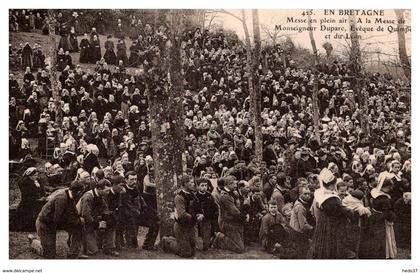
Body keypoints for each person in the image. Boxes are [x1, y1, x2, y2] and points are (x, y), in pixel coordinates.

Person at [30, 180, 86, 259]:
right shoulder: (62, 199)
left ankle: (73, 253)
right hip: (45, 224)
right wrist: (76, 221)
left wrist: (78, 220)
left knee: (79, 227)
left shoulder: (70, 195)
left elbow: (73, 213)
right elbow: (58, 219)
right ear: (78, 191)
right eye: (81, 192)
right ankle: (33, 242)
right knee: (49, 254)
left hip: (53, 223)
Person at [311, 168, 352, 259]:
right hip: (333, 225)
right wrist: (352, 211)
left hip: (323, 222)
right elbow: (342, 210)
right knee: (332, 246)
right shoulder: (332, 199)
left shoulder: (320, 193)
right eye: (334, 184)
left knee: (323, 244)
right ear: (331, 185)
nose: (334, 186)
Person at [161, 174, 203, 257]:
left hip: (191, 225)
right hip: (181, 226)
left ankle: (177, 241)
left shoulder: (193, 195)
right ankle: (167, 241)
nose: (193, 184)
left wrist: (201, 214)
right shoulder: (179, 197)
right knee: (186, 253)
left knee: (193, 251)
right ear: (185, 184)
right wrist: (196, 218)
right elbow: (182, 215)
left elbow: (198, 207)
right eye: (191, 182)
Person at [359, 177, 397, 259]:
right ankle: (386, 253)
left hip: (374, 216)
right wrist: (393, 217)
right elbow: (387, 213)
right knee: (384, 237)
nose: (390, 189)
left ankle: (373, 252)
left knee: (374, 237)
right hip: (382, 220)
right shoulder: (384, 199)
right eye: (389, 187)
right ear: (385, 187)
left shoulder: (375, 193)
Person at [211, 175, 249, 253]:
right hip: (227, 222)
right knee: (240, 248)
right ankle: (219, 237)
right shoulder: (225, 196)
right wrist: (245, 211)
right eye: (234, 184)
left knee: (242, 243)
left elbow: (239, 208)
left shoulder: (234, 193)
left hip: (235, 221)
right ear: (228, 184)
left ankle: (228, 238)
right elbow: (235, 212)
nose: (236, 186)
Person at [76, 178, 111, 256]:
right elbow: (85, 214)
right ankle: (81, 245)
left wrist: (104, 219)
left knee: (94, 249)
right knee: (93, 251)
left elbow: (105, 208)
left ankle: (89, 244)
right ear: (99, 189)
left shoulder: (100, 195)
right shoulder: (88, 196)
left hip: (90, 219)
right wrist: (97, 224)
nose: (108, 193)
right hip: (79, 218)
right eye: (107, 191)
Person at [16, 167, 47, 231]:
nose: (36, 176)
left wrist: (43, 196)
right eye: (35, 175)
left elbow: (42, 191)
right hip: (28, 203)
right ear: (30, 176)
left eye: (37, 175)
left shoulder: (37, 181)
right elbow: (27, 196)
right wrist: (38, 199)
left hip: (38, 201)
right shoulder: (25, 183)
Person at [289, 186, 314, 258]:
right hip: (298, 234)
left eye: (309, 194)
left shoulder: (300, 202)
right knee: (301, 254)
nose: (308, 196)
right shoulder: (300, 207)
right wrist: (313, 229)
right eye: (305, 194)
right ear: (300, 194)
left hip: (295, 230)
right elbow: (303, 226)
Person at [195, 177, 218, 250]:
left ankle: (207, 244)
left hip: (208, 218)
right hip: (199, 218)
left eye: (205, 185)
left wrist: (214, 213)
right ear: (197, 186)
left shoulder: (209, 195)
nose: (204, 187)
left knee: (207, 234)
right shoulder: (196, 196)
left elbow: (214, 206)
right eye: (202, 185)